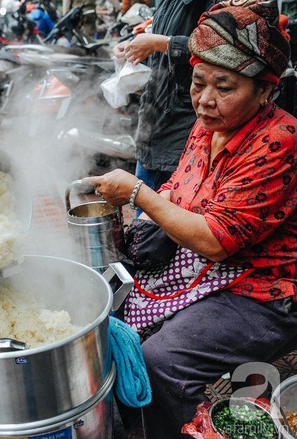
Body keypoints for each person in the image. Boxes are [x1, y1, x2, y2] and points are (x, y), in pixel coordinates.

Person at [85, 1, 296, 437]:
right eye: (199, 83)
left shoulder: (281, 139)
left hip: (262, 287)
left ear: (264, 92)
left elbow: (217, 241)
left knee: (161, 359)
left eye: (225, 87)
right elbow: (180, 189)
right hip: (203, 265)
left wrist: (138, 194)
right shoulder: (207, 125)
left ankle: (172, 428)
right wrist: (148, 208)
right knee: (105, 311)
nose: (205, 100)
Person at [113, 0, 219, 202]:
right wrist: (134, 49)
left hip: (183, 128)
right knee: (142, 220)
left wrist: (160, 43)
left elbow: (217, 48)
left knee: (167, 215)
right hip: (152, 124)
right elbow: (160, 54)